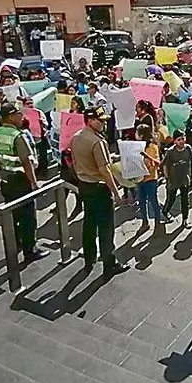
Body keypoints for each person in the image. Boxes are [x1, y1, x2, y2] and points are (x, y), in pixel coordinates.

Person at [71, 106, 130, 276]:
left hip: (85, 185)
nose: (103, 123)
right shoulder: (98, 141)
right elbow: (105, 170)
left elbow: (75, 162)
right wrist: (117, 193)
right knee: (106, 227)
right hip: (98, 188)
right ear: (90, 120)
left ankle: (89, 257)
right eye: (100, 120)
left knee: (89, 222)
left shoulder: (76, 137)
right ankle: (109, 263)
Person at [0, 102, 49, 262]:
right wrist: (34, 183)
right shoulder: (18, 135)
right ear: (11, 116)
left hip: (6, 179)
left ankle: (16, 244)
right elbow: (26, 161)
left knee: (13, 215)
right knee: (28, 218)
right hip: (21, 181)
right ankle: (30, 250)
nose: (22, 116)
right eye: (19, 114)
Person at [162, 130, 192, 226]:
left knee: (185, 200)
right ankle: (165, 211)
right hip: (173, 180)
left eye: (183, 138)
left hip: (185, 179)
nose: (182, 141)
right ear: (175, 141)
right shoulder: (170, 152)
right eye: (179, 140)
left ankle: (185, 219)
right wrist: (167, 179)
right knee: (171, 199)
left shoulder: (188, 148)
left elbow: (191, 162)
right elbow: (165, 166)